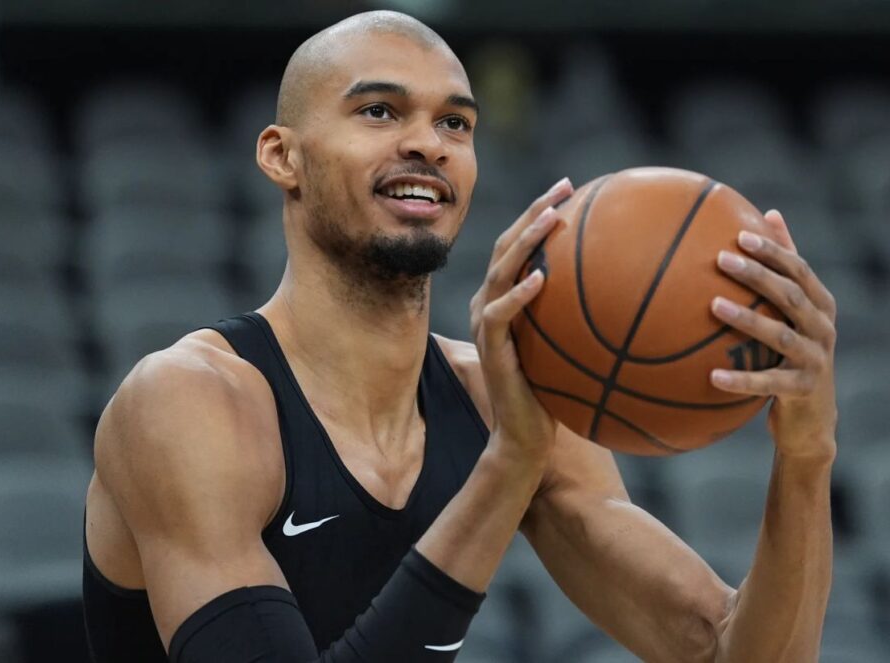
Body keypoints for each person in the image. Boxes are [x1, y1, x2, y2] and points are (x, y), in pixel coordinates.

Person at [83, 10, 837, 662]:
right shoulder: (188, 403)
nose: (429, 144)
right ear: (283, 156)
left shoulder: (501, 399)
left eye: (455, 123)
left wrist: (806, 455)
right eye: (379, 111)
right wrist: (509, 463)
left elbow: (724, 650)